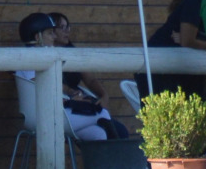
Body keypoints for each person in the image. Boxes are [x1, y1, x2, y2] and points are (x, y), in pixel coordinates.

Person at [16, 13, 127, 141]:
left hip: (56, 111)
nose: (54, 36)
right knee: (102, 113)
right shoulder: (30, 58)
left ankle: (106, 160)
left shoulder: (43, 56)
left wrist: (70, 95)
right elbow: (42, 89)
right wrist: (71, 101)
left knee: (98, 134)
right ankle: (121, 159)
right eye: (49, 33)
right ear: (37, 37)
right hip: (46, 115)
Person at [147, 0, 206, 95]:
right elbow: (188, 41)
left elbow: (189, 39)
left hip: (182, 68)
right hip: (160, 64)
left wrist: (197, 40)